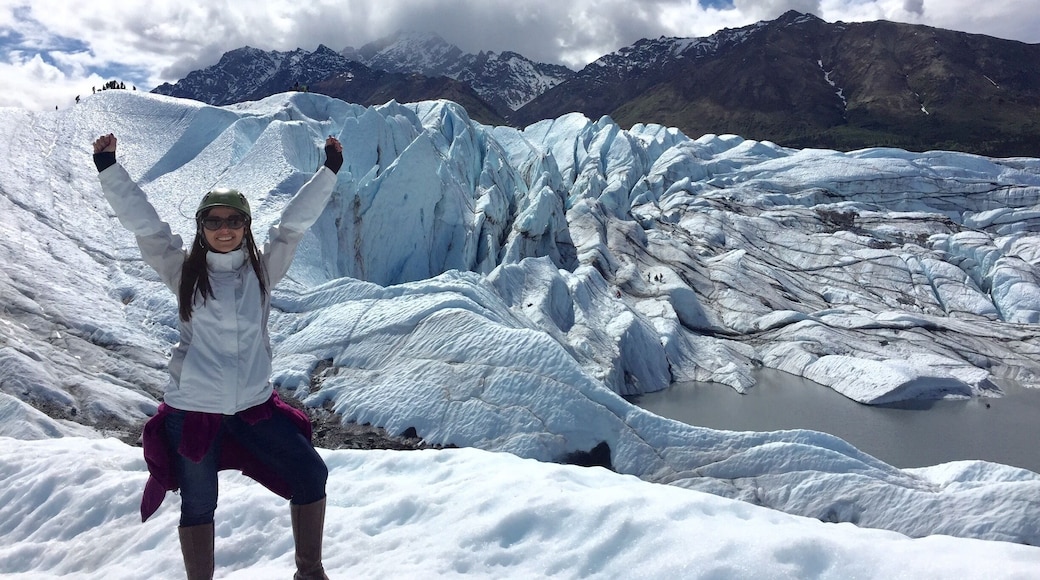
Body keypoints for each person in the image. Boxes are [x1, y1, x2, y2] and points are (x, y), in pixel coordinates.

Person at [93, 131, 344, 580]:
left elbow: (293, 225)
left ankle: (310, 573)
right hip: (194, 412)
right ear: (201, 227)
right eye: (214, 221)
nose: (224, 229)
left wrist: (329, 172)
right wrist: (109, 169)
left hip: (253, 407)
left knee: (310, 475)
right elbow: (146, 225)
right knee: (199, 504)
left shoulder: (262, 272)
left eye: (234, 221)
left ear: (246, 227)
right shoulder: (183, 270)